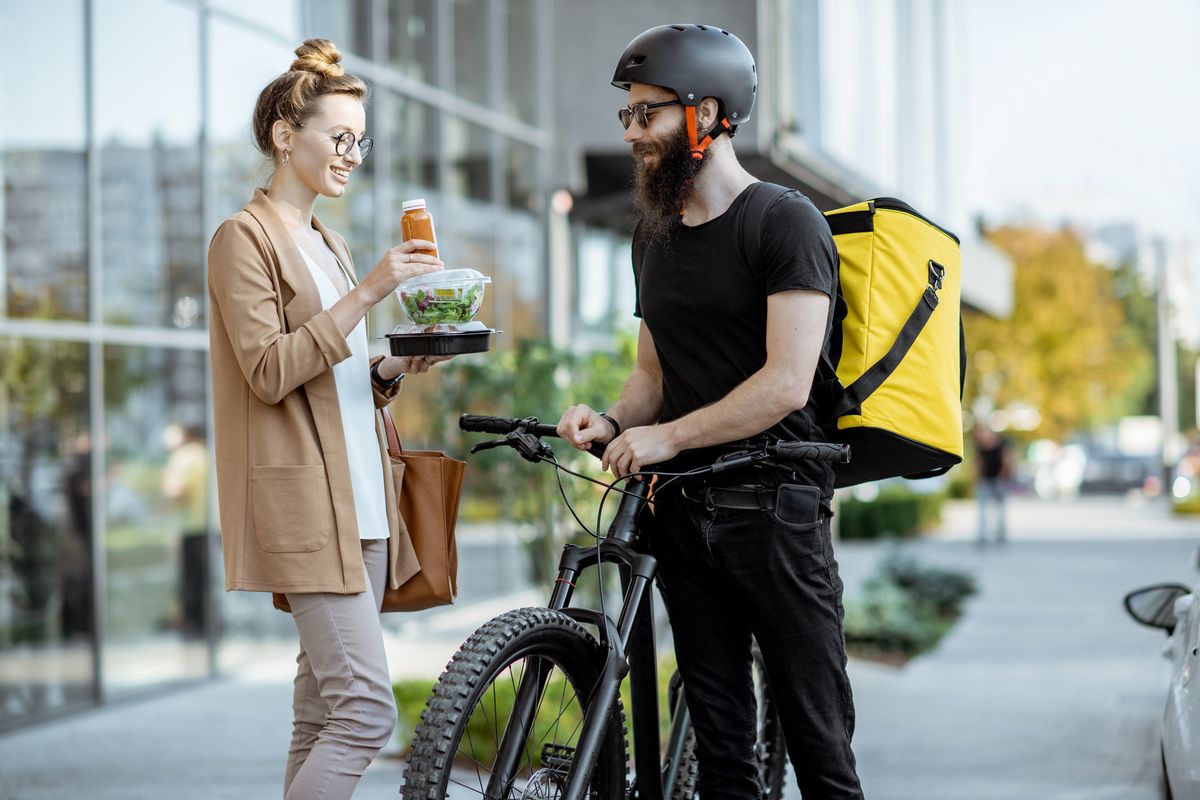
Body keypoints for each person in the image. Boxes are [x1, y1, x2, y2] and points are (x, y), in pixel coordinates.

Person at [557, 24, 864, 800]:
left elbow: (786, 385)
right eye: (627, 117)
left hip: (775, 513)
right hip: (683, 517)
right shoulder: (652, 238)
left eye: (648, 115)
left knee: (821, 753)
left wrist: (665, 436)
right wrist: (615, 423)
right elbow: (650, 377)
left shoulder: (784, 222)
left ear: (709, 112)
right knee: (723, 758)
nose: (632, 134)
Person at [207, 39, 448, 800]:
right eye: (338, 137)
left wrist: (392, 367)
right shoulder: (242, 239)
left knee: (319, 714)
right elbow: (271, 371)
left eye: (359, 141)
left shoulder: (328, 242)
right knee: (366, 711)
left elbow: (336, 381)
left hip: (366, 506)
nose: (352, 154)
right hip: (307, 508)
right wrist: (372, 291)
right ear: (285, 135)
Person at [974, 424, 1012, 545]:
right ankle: (983, 536)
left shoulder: (1001, 444)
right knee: (982, 509)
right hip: (985, 479)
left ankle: (1001, 535)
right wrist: (975, 477)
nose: (982, 438)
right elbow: (978, 462)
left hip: (999, 479)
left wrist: (1005, 474)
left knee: (1001, 510)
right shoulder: (980, 447)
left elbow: (1007, 460)